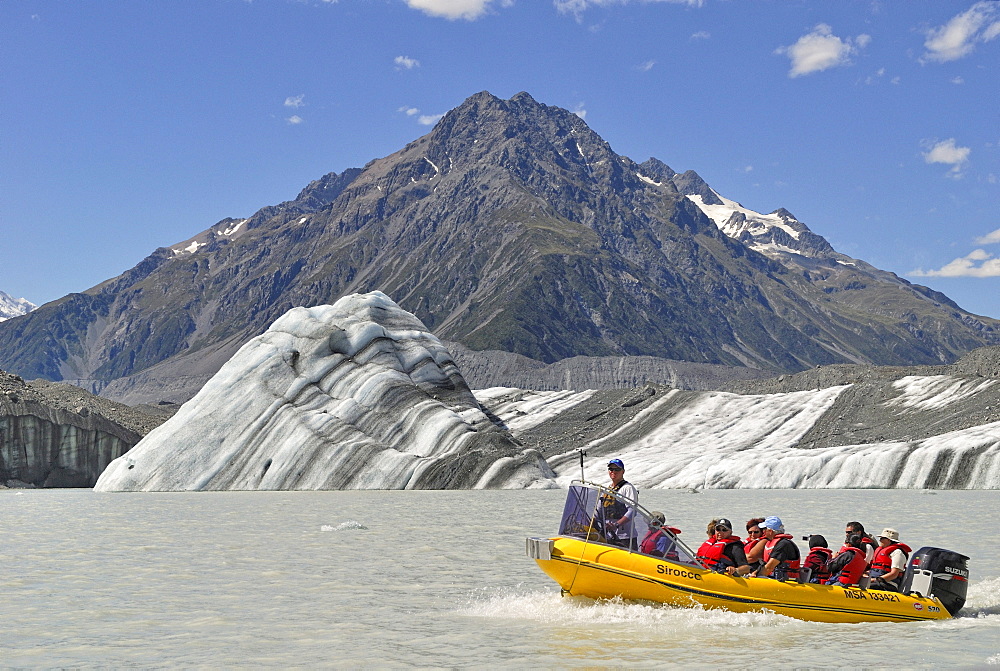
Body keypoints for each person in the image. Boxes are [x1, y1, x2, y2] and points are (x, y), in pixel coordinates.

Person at [599, 459, 638, 548]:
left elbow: (632, 511)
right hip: (608, 536)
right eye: (611, 469)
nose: (613, 472)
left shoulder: (628, 488)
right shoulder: (607, 489)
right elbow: (599, 509)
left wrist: (616, 524)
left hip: (625, 538)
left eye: (617, 469)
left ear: (623, 471)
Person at [752, 516, 800, 580]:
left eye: (764, 529)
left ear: (770, 531)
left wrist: (757, 579)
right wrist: (755, 572)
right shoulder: (775, 543)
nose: (763, 532)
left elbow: (769, 567)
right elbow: (766, 565)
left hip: (787, 581)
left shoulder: (784, 544)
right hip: (774, 578)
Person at [869, 528, 911, 592]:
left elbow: (894, 574)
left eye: (882, 538)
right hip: (875, 581)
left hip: (887, 584)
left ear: (889, 540)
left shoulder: (898, 553)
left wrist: (875, 580)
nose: (880, 540)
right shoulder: (880, 550)